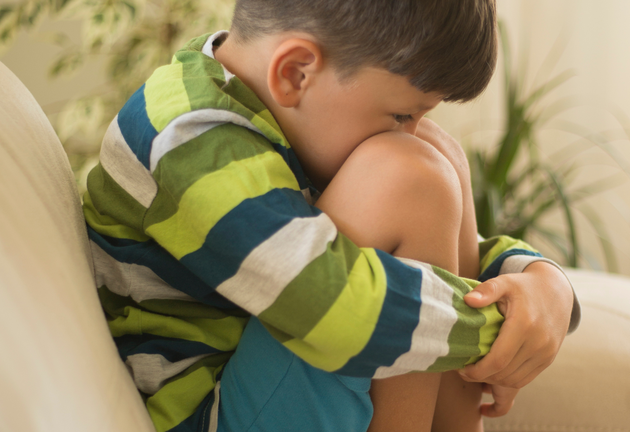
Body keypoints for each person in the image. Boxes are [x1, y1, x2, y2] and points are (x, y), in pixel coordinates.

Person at [84, 0, 580, 431]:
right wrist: (499, 333)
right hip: (209, 415)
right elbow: (333, 308)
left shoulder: (263, 98)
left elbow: (445, 256)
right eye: (402, 113)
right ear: (296, 72)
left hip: (261, 378)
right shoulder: (186, 139)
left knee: (437, 154)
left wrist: (542, 286)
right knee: (413, 175)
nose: (408, 129)